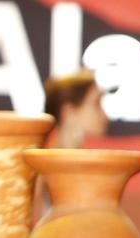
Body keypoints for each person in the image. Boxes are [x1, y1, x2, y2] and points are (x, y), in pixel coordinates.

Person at [35, 68, 110, 218]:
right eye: (96, 104)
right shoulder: (40, 168)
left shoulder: (88, 167)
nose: (105, 115)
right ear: (68, 112)